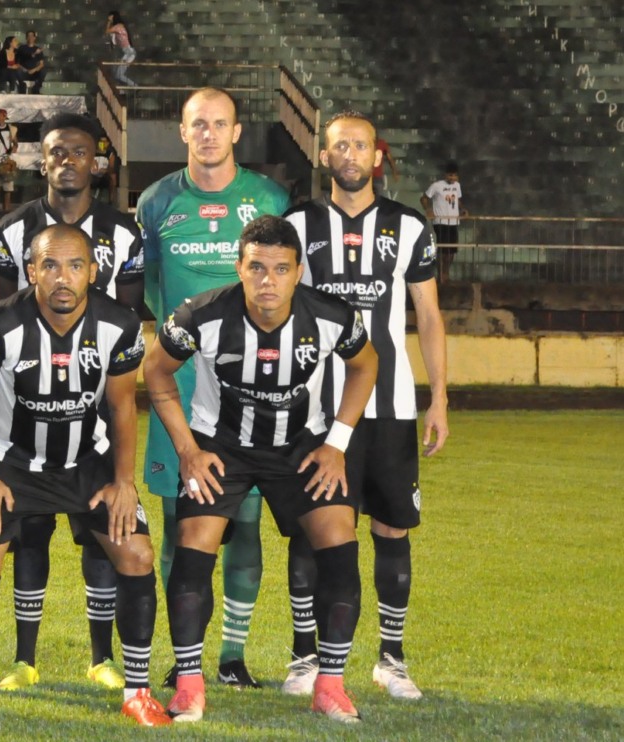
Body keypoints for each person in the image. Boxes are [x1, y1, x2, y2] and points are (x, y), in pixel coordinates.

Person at [143, 214, 380, 724]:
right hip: (220, 447)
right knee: (192, 542)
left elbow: (366, 364)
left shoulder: (330, 316)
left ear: (298, 272)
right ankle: (188, 684)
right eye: (256, 267)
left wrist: (337, 442)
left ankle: (331, 685)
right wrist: (188, 450)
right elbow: (155, 370)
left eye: (280, 268)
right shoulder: (201, 315)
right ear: (239, 267)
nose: (268, 280)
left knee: (339, 540)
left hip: (301, 447)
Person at [0, 224, 169, 730]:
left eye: (75, 266)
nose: (62, 278)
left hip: (86, 464)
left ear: (93, 271)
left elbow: (120, 405)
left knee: (135, 553)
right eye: (50, 265)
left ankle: (137, 691)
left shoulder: (120, 324)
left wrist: (123, 481)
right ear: (31, 272)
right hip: (10, 462)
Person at [283, 110, 449, 703]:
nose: (349, 155)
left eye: (359, 146)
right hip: (313, 408)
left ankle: (392, 660)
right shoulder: (297, 223)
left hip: (391, 408)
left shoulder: (409, 227)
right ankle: (305, 657)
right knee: (314, 530)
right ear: (323, 157)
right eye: (338, 147)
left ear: (376, 157)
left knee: (392, 528)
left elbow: (428, 316)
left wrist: (439, 399)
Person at [136, 88, 290, 689]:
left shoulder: (269, 198)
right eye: (197, 124)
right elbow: (151, 288)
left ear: (235, 132)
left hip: (250, 394)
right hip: (178, 389)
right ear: (182, 131)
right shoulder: (156, 202)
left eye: (218, 124)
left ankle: (232, 653)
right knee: (180, 524)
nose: (207, 134)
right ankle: (187, 656)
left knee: (245, 525)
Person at [0, 113, 144, 692]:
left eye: (79, 152)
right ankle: (25, 659)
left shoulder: (124, 233)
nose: (68, 161)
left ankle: (102, 657)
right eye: (56, 152)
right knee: (29, 536)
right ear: (42, 160)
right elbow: (4, 318)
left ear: (95, 161)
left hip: (94, 407)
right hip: (25, 405)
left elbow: (128, 316)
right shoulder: (9, 229)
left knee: (100, 532)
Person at [421, 161, 464, 281]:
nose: (452, 178)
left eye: (454, 175)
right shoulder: (437, 185)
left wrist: (463, 209)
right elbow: (424, 198)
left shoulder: (457, 185)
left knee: (452, 250)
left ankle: (446, 272)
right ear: (445, 175)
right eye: (450, 175)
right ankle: (441, 274)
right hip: (440, 222)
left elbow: (457, 199)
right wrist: (428, 210)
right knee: (443, 250)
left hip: (454, 221)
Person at [105, 11, 136, 86]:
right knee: (116, 75)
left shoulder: (118, 26)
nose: (110, 20)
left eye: (111, 18)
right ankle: (123, 90)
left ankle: (135, 86)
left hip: (129, 53)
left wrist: (109, 22)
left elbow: (107, 31)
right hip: (126, 52)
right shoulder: (118, 27)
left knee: (119, 75)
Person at [17, 31, 47, 95]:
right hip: (24, 72)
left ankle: (36, 88)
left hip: (34, 72)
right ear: (26, 38)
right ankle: (22, 87)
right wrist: (24, 69)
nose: (30, 38)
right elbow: (17, 62)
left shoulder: (38, 49)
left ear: (34, 38)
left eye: (32, 36)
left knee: (43, 70)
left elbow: (41, 64)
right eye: (28, 36)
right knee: (17, 70)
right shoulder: (21, 48)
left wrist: (34, 70)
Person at [92, 134, 118, 204]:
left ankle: (111, 200)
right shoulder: (92, 152)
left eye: (104, 142)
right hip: (92, 174)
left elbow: (111, 168)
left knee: (112, 177)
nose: (102, 144)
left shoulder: (110, 154)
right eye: (101, 142)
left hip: (104, 175)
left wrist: (105, 170)